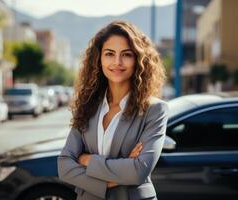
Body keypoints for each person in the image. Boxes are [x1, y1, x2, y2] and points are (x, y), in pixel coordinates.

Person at [58, 20, 168, 200]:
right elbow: (64, 167)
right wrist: (111, 180)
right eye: (109, 54)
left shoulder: (155, 110)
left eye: (126, 54)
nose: (117, 62)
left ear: (139, 60)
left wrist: (87, 160)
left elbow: (138, 171)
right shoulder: (87, 105)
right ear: (99, 59)